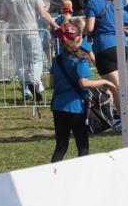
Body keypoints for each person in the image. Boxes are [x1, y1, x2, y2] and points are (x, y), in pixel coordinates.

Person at [49, 23, 118, 163]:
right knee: (82, 145)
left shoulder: (57, 60)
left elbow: (51, 83)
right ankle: (83, 175)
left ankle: (52, 177)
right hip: (76, 107)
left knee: (61, 146)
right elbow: (84, 83)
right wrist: (104, 82)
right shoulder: (81, 59)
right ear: (79, 39)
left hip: (58, 106)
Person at [0, 0, 58, 100]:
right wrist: (55, 25)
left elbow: (3, 16)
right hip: (31, 31)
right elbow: (43, 13)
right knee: (37, 59)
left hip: (15, 32)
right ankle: (34, 81)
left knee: (21, 62)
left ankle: (26, 90)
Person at [83, 0, 128, 97]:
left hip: (104, 47)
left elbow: (89, 27)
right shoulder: (119, 1)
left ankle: (122, 115)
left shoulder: (92, 3)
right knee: (111, 87)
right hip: (122, 46)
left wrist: (82, 33)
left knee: (114, 87)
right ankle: (109, 113)